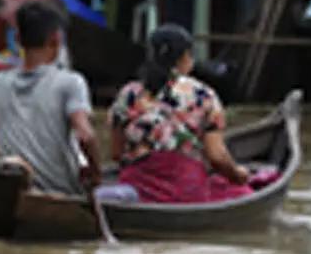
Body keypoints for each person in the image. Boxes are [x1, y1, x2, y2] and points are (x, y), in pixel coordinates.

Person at [108, 24, 253, 204]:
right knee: (243, 192)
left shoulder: (128, 93)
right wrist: (237, 174)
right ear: (185, 57)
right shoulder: (204, 96)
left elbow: (116, 153)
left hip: (137, 186)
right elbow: (217, 157)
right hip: (185, 192)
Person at [0, 1, 103, 196]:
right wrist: (96, 174)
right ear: (56, 40)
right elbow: (86, 136)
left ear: (18, 39)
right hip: (62, 192)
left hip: (14, 190)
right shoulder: (70, 82)